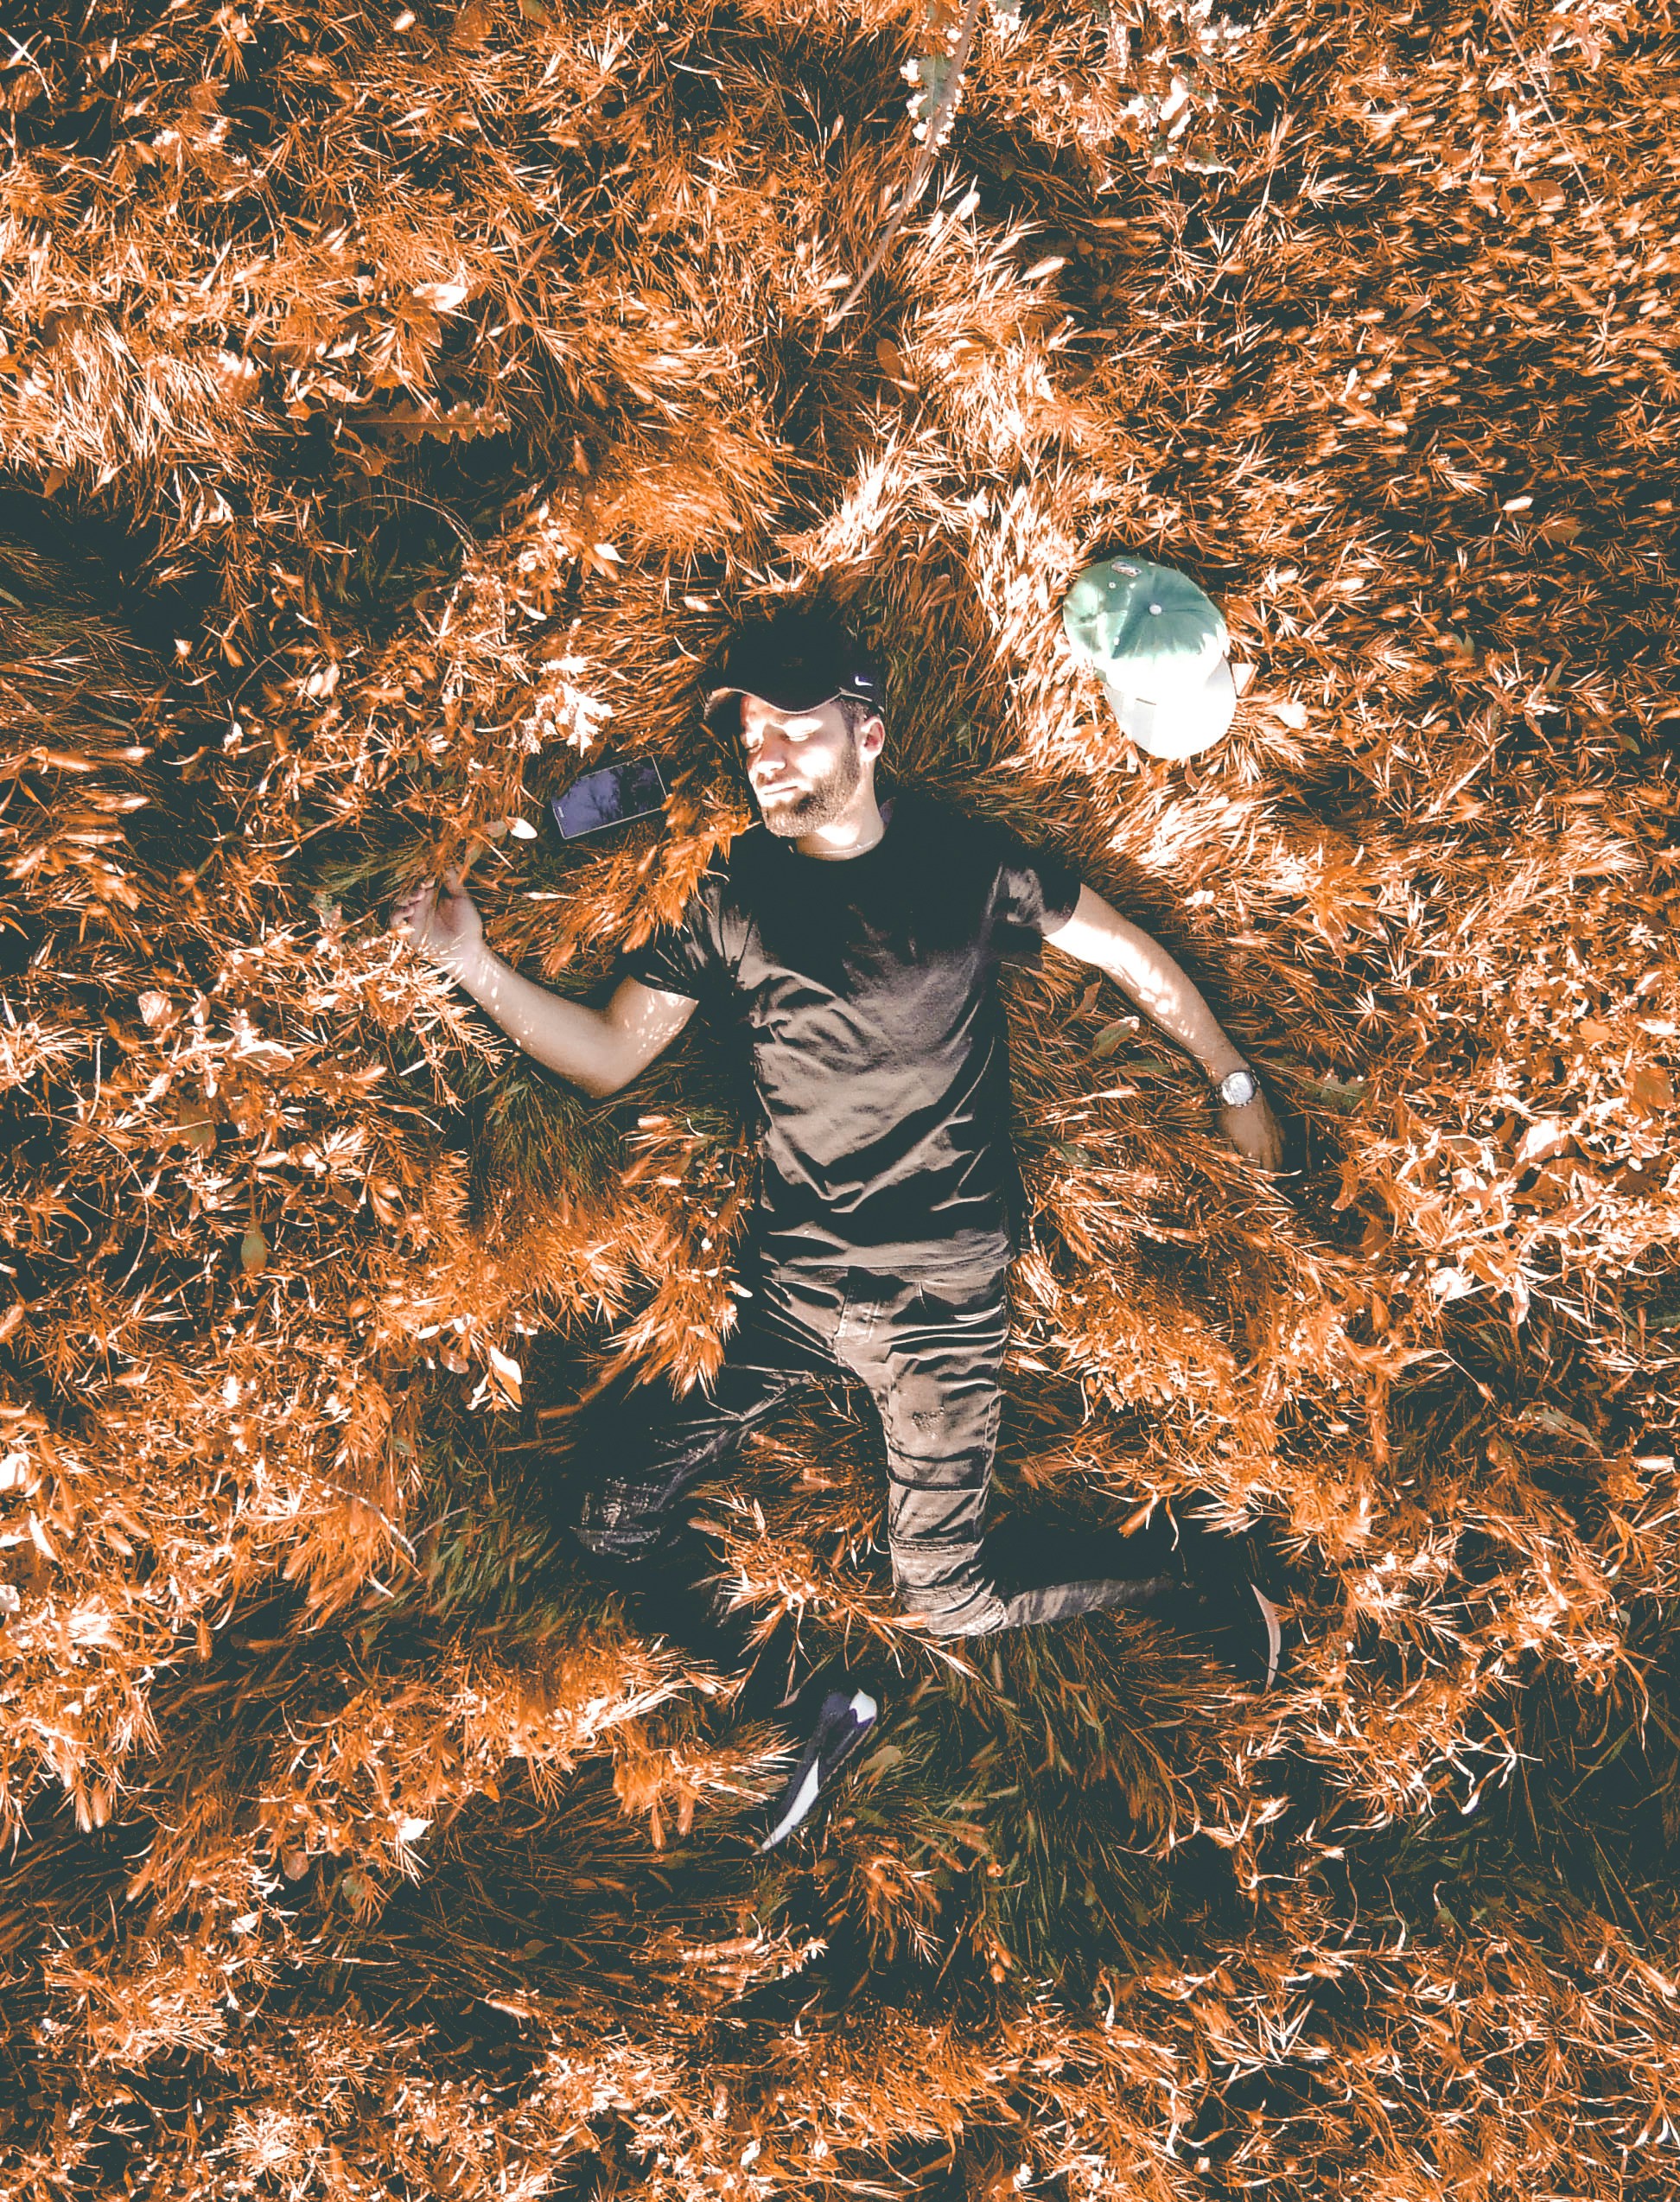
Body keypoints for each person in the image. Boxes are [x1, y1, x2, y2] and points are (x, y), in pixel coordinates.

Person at [391, 606, 1289, 1849]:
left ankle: (1192, 1570)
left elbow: (1129, 959)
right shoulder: (731, 897)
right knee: (606, 1514)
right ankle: (809, 1706)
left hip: (941, 1308)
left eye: (795, 729)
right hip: (789, 1300)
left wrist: (1233, 1081)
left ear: (868, 735)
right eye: (751, 735)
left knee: (948, 1596)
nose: (765, 757)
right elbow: (605, 1057)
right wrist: (470, 965)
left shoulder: (970, 865)